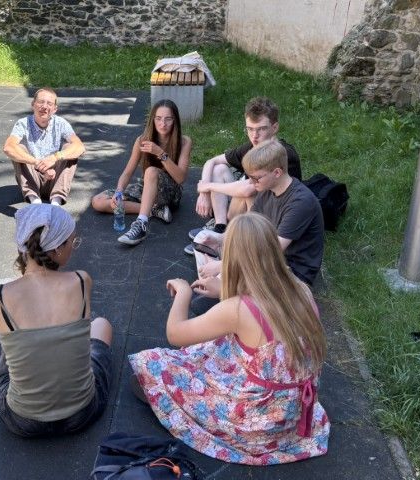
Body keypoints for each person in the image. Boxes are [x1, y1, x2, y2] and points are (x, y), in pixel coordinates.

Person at [129, 212, 330, 465]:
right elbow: (263, 315)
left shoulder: (238, 309)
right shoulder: (300, 288)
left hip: (256, 427)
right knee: (217, 346)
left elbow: (175, 334)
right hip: (294, 415)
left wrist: (183, 293)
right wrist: (223, 292)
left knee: (150, 366)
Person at [0, 204, 113, 437]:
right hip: (82, 414)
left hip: (22, 421)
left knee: (10, 341)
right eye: (73, 242)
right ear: (57, 248)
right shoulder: (81, 280)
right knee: (102, 325)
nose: (73, 248)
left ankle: (1, 377)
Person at [190, 139, 323, 316]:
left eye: (256, 178)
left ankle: (226, 294)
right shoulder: (267, 188)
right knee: (203, 240)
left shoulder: (301, 202)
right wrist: (220, 240)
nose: (251, 183)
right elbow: (251, 230)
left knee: (202, 305)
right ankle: (221, 290)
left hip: (288, 271)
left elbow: (271, 250)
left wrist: (224, 265)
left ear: (277, 172)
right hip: (263, 258)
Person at [185, 97, 301, 255]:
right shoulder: (253, 147)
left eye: (261, 129)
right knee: (219, 169)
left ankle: (226, 241)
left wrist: (207, 186)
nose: (254, 136)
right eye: (250, 129)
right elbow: (211, 161)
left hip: (273, 215)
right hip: (254, 208)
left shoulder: (283, 154)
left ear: (274, 128)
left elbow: (248, 189)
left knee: (245, 190)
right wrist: (204, 192)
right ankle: (220, 228)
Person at [91, 99, 192, 246]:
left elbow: (180, 178)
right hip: (146, 188)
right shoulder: (142, 140)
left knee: (150, 171)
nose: (163, 124)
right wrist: (119, 192)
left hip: (170, 192)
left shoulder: (184, 142)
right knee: (98, 201)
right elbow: (127, 172)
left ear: (175, 120)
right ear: (153, 120)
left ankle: (141, 224)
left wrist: (160, 153)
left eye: (168, 119)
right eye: (158, 118)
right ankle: (153, 210)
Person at [3, 88, 85, 206]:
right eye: (41, 102)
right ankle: (34, 199)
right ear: (33, 104)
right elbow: (8, 148)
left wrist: (55, 157)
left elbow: (80, 147)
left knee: (70, 148)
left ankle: (56, 199)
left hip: (54, 177)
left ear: (55, 109)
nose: (44, 106)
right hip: (32, 177)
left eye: (49, 103)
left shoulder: (61, 123)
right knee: (18, 148)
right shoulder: (23, 124)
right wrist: (38, 163)